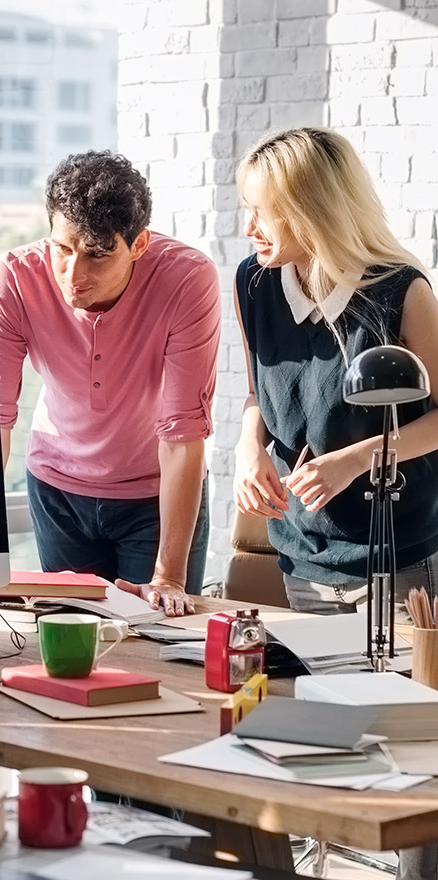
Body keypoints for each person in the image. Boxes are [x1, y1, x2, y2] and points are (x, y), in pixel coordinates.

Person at [232, 125, 438, 880]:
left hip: (397, 557)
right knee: (327, 746)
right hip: (303, 551)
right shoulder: (255, 282)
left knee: (410, 753)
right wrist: (245, 451)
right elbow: (256, 398)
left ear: (313, 208)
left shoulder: (400, 291)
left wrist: (359, 457)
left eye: (263, 210)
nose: (248, 227)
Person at [0, 150, 221, 616]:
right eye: (62, 249)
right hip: (58, 490)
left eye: (98, 256)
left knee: (156, 637)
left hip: (154, 495)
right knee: (66, 636)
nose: (73, 275)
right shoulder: (14, 279)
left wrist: (168, 576)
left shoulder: (188, 279)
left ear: (138, 244)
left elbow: (183, 433)